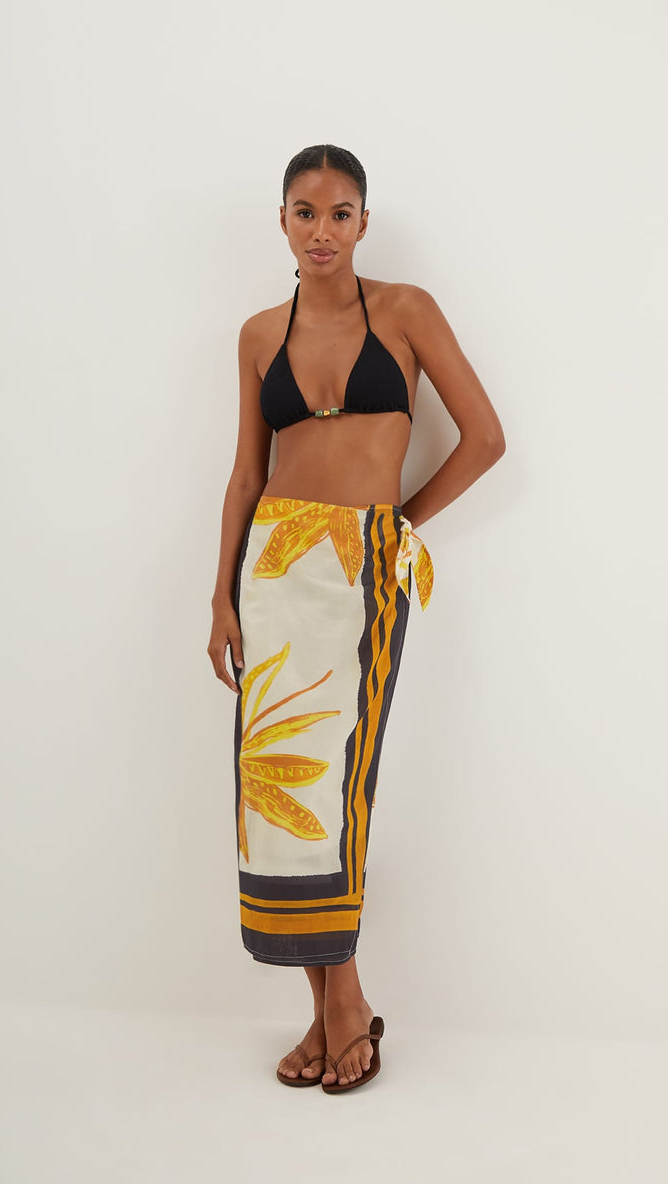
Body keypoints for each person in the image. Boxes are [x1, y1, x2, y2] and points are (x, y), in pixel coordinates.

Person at [208, 144, 505, 1092]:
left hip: (363, 572)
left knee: (341, 789)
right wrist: (220, 594)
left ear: (364, 223)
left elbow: (485, 437)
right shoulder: (260, 334)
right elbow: (247, 475)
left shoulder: (406, 311)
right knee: (280, 801)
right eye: (305, 212)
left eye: (340, 213)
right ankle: (334, 1008)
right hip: (272, 572)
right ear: (283, 222)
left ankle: (341, 1005)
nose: (322, 230)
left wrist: (396, 525)